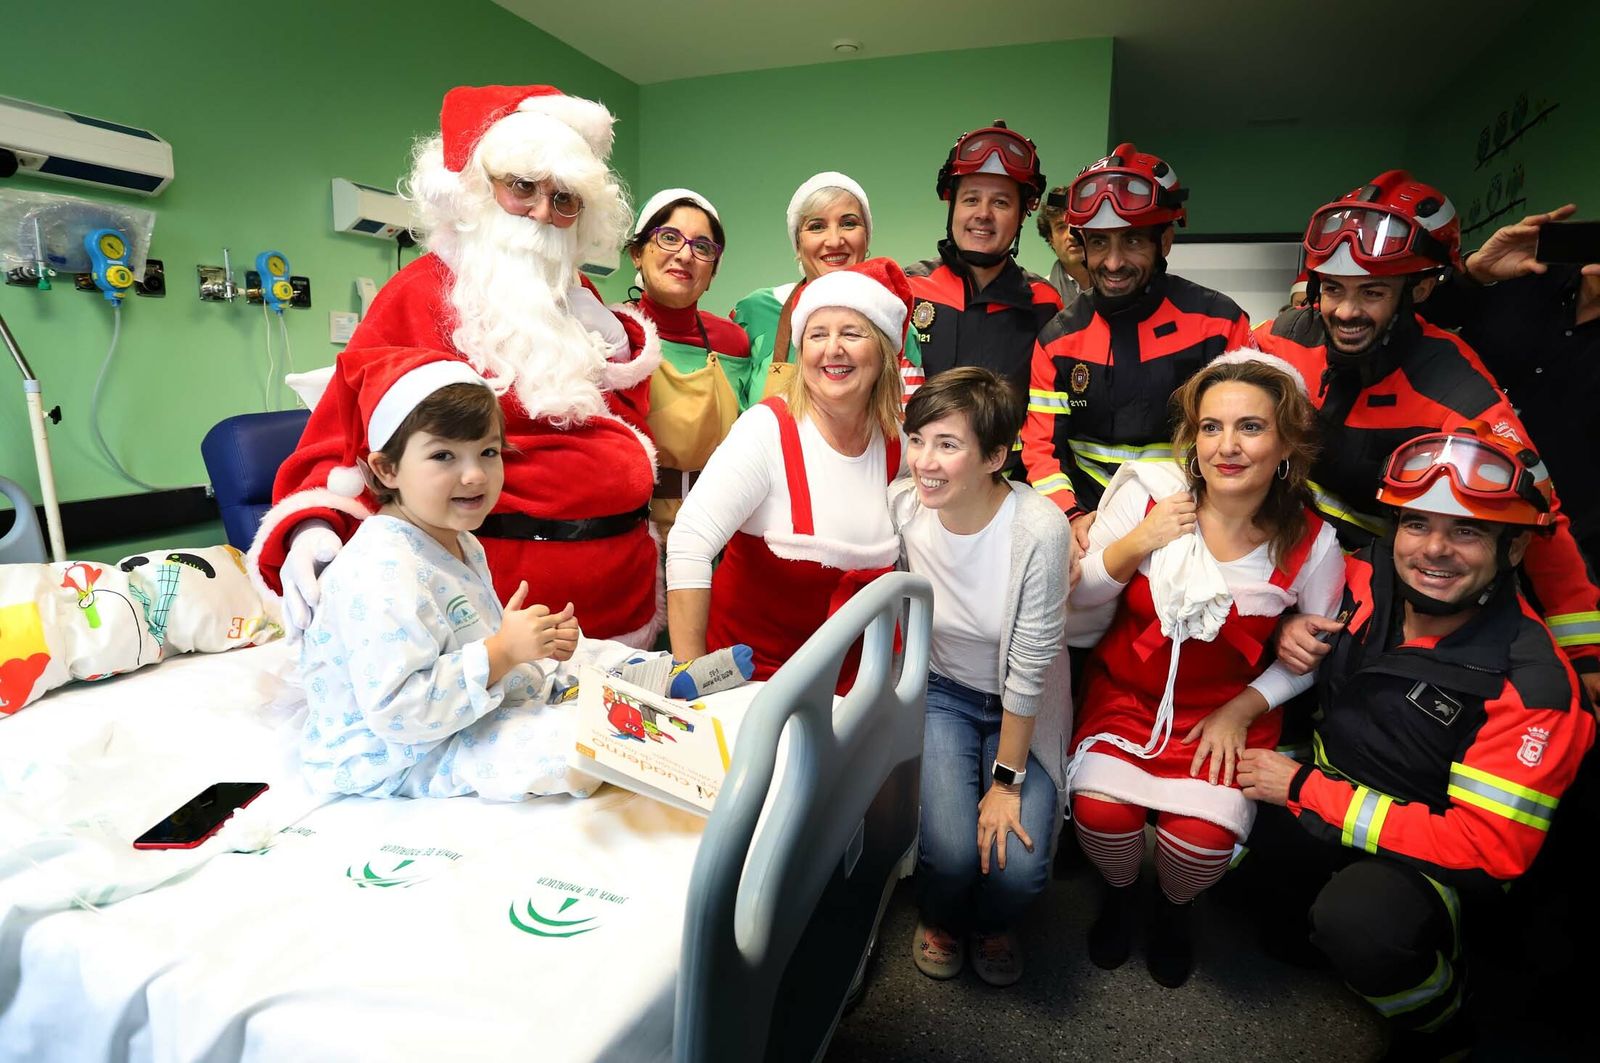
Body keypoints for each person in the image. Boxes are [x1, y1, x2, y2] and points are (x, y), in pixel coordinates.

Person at [249, 84, 664, 647]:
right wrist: (317, 522)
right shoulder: (420, 292)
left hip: (621, 596)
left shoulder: (576, 297)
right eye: (523, 187)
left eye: (565, 199)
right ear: (474, 190)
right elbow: (347, 430)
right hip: (493, 615)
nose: (544, 212)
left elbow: (622, 425)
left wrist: (617, 345)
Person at [1238, 425, 1595, 1059]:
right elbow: (1277, 604)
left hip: (1429, 856)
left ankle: (1441, 1024)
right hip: (1330, 787)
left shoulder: (1533, 690)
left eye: (1467, 532)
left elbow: (1484, 851)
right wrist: (1287, 626)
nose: (1434, 550)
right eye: (1417, 524)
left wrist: (1303, 788)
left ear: (1513, 549)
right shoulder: (1363, 573)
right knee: (1237, 857)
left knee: (1360, 926)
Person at [297, 347, 751, 801]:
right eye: (444, 456)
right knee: (568, 741)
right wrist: (502, 651)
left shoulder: (455, 540)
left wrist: (529, 643)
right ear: (386, 469)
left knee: (581, 657)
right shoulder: (381, 570)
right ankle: (644, 731)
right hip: (397, 753)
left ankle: (658, 679)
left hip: (467, 698)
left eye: (488, 452)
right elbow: (399, 712)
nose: (474, 475)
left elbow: (472, 638)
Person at [1256, 170, 1600, 694]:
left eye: (1372, 291)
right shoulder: (1280, 339)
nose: (1346, 311)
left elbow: (1540, 516)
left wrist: (1586, 656)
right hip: (1271, 568)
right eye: (1334, 289)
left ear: (1417, 290)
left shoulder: (1457, 390)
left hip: (1373, 597)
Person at [1067, 352, 1343, 988]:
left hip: (1223, 714)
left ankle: (1174, 909)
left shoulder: (1313, 543)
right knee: (1102, 816)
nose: (1227, 446)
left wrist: (1241, 711)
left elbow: (1310, 658)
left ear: (1286, 443)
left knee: (1200, 840)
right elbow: (1079, 597)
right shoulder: (1149, 494)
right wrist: (1140, 540)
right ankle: (1119, 894)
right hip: (1126, 698)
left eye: (1251, 427)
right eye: (1211, 427)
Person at [891, 367, 1072, 988]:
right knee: (950, 854)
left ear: (996, 457)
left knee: (1018, 868)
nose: (924, 461)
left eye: (948, 444)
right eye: (918, 440)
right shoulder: (904, 508)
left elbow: (1030, 668)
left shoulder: (1037, 528)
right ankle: (940, 916)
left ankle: (994, 922)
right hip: (944, 692)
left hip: (1024, 708)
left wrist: (1006, 784)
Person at [666, 258, 910, 693]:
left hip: (850, 694)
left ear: (883, 350)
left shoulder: (899, 444)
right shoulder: (766, 430)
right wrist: (691, 681)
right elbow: (689, 544)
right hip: (750, 690)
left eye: (851, 333)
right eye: (817, 334)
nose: (832, 349)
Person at [1021, 143, 1252, 552]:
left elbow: (1244, 444)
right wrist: (1068, 517)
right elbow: (1043, 449)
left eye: (1131, 241)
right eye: (1099, 243)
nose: (1113, 263)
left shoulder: (1219, 324)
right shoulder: (1057, 339)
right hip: (1090, 528)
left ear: (1165, 241)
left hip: (1193, 526)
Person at [1420, 202, 1600, 567]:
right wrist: (1473, 272)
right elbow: (1408, 322)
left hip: (1566, 542)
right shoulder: (1525, 274)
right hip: (1445, 506)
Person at [905, 121, 1063, 417]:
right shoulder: (907, 289)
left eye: (1000, 203)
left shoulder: (1044, 303)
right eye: (971, 199)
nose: (983, 214)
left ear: (1021, 216)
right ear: (952, 206)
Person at [622, 188, 752, 535]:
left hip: (721, 527)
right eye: (669, 237)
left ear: (712, 273)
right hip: (636, 529)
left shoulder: (733, 342)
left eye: (702, 247)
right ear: (637, 253)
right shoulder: (615, 335)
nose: (684, 255)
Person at [730, 171, 875, 406]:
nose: (834, 241)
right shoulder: (754, 313)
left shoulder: (895, 321)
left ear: (866, 237)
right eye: (817, 227)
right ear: (797, 245)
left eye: (848, 224)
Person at [1037, 185, 1092, 308]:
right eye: (1061, 227)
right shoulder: (1039, 298)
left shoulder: (1121, 283)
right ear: (1051, 238)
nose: (1071, 236)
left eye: (1077, 223)